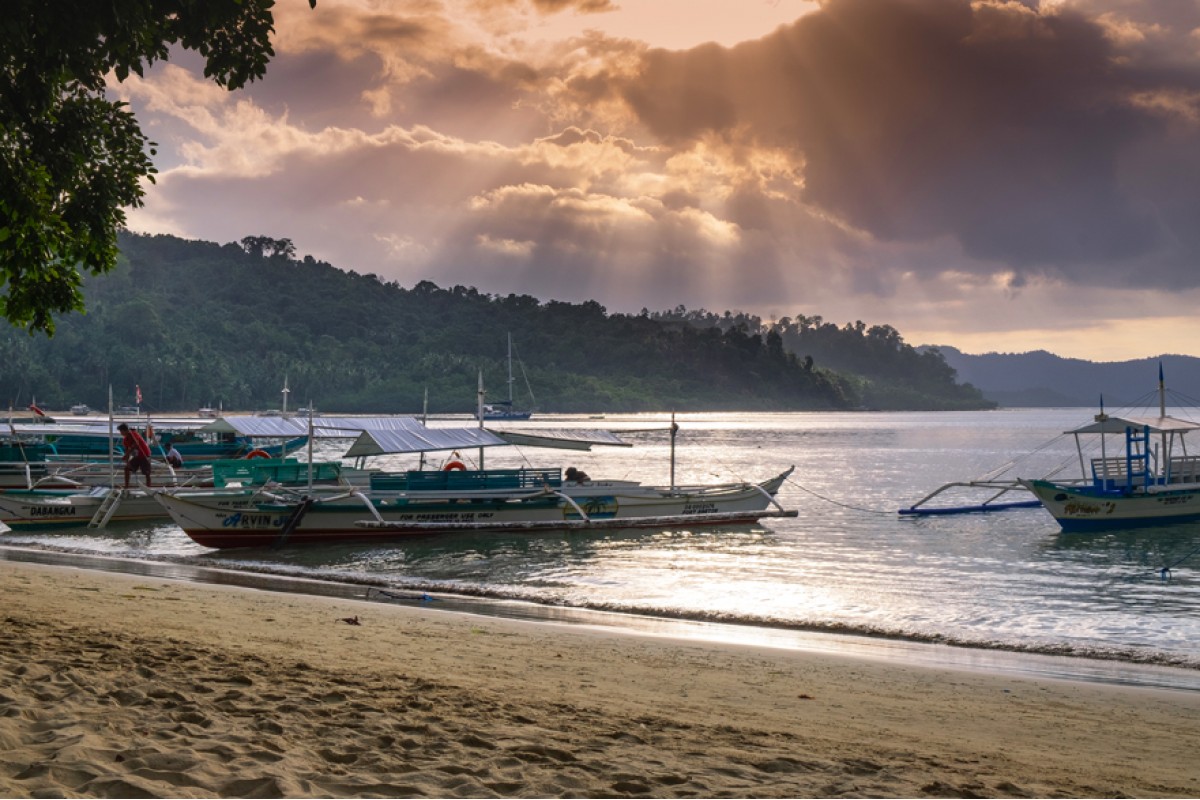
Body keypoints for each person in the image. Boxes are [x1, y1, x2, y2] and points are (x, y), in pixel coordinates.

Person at [118, 422, 153, 489]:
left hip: (144, 454)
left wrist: (127, 454)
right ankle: (126, 487)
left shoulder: (133, 433)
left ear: (125, 430)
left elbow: (136, 444)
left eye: (121, 431)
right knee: (127, 468)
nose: (121, 433)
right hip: (137, 456)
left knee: (147, 472)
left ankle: (149, 487)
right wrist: (127, 461)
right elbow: (126, 450)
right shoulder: (125, 440)